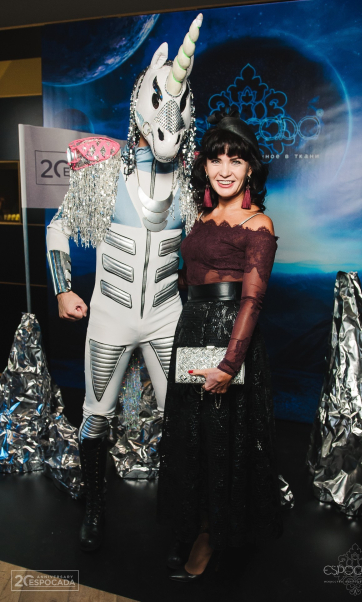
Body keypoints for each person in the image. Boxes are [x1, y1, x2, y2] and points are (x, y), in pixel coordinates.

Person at [46, 14, 203, 552]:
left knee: (182, 420)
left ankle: (183, 520)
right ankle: (95, 508)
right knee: (96, 416)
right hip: (110, 316)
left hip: (167, 317)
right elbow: (58, 227)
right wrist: (64, 288)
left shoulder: (192, 187)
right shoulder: (104, 176)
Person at [157, 108, 283, 582]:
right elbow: (188, 280)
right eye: (216, 159)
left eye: (236, 159)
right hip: (191, 332)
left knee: (224, 438)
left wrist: (230, 365)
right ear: (205, 165)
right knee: (192, 437)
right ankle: (193, 523)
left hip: (231, 338)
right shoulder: (201, 217)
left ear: (250, 169)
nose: (225, 169)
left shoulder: (259, 223)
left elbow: (253, 300)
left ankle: (212, 534)